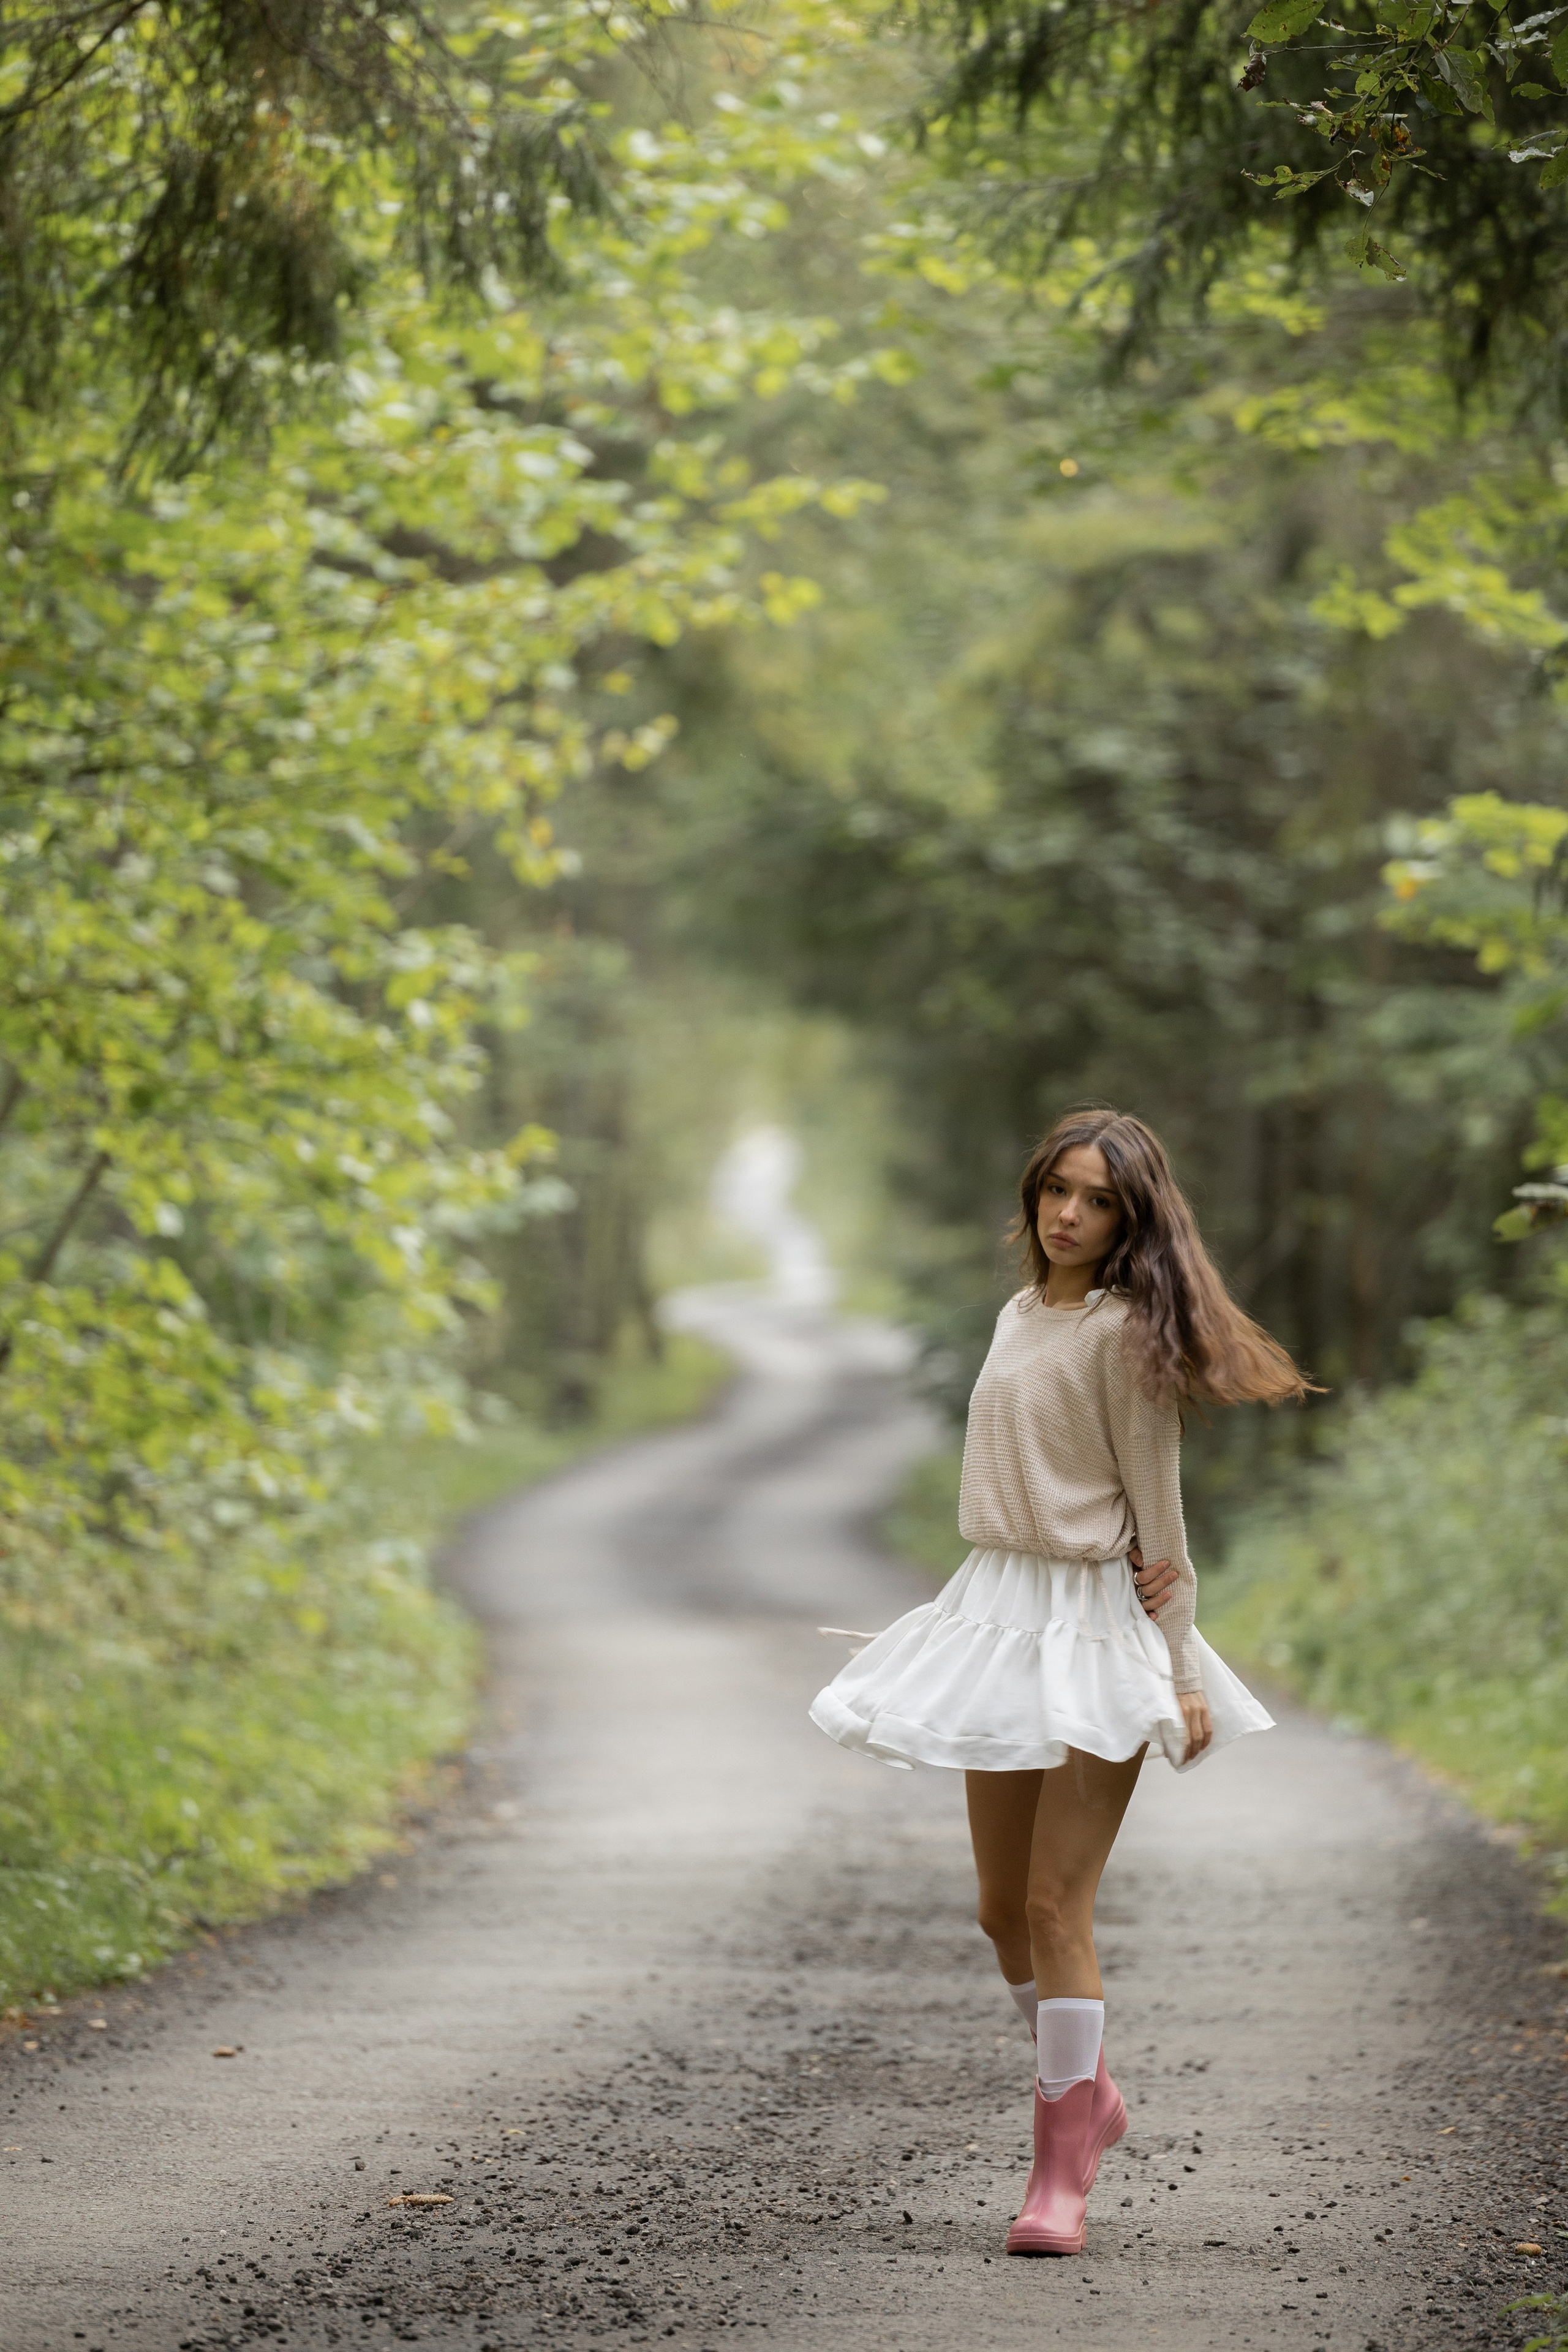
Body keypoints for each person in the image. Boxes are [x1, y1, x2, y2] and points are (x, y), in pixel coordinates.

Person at [809, 1107, 1312, 2256]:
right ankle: (1089, 2093)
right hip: (995, 1610)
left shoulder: (1129, 1336)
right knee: (998, 1912)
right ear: (1035, 1195)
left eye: (1098, 1200)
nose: (1072, 1214)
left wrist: (1179, 1665)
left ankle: (1058, 2172)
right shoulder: (1019, 1314)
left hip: (1092, 1625)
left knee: (1054, 1906)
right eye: (1059, 1192)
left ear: (1131, 1220)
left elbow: (1161, 1520)